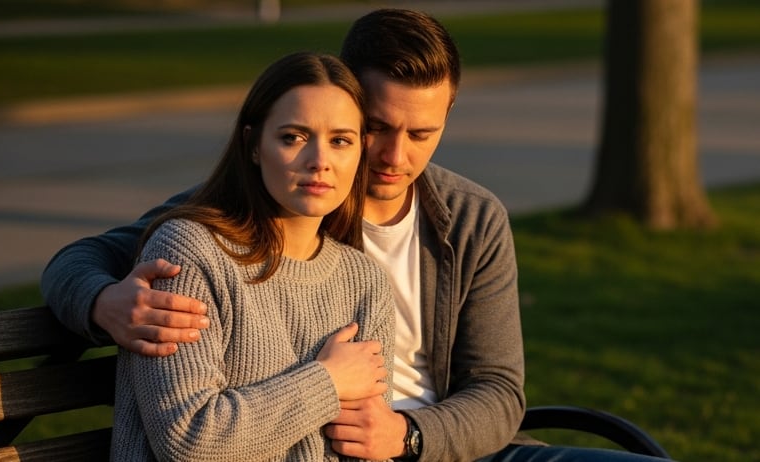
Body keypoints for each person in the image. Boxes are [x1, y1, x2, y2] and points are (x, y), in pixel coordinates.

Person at [42, 8, 671, 462]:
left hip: (446, 447)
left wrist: (410, 437)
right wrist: (101, 302)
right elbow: (83, 257)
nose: (395, 156)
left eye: (422, 134)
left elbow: (500, 392)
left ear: (448, 116)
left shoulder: (474, 217)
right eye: (374, 128)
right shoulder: (271, 201)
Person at [107, 51, 395, 461]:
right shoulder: (190, 253)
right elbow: (190, 440)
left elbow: (365, 444)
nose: (320, 162)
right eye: (293, 137)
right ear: (254, 145)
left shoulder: (364, 280)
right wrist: (327, 381)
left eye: (340, 141)